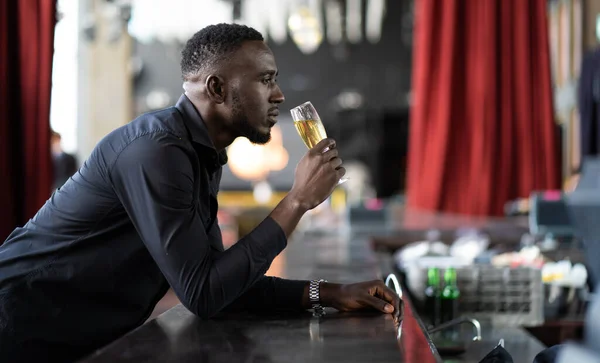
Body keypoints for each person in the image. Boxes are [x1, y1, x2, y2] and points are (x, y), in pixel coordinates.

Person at [0, 23, 400, 362]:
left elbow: (220, 281)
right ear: (217, 88)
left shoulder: (198, 152)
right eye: (265, 79)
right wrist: (296, 201)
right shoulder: (157, 150)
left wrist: (331, 293)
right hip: (18, 327)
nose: (278, 94)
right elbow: (204, 294)